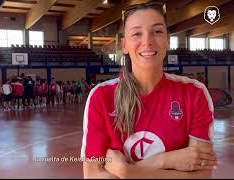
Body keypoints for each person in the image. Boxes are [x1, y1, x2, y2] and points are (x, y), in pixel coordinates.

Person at [81, 2, 217, 178]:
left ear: (168, 40)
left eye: (157, 31)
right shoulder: (101, 97)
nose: (147, 41)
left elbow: (202, 176)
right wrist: (169, 161)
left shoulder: (194, 93)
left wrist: (127, 171)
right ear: (124, 45)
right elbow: (92, 174)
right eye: (137, 33)